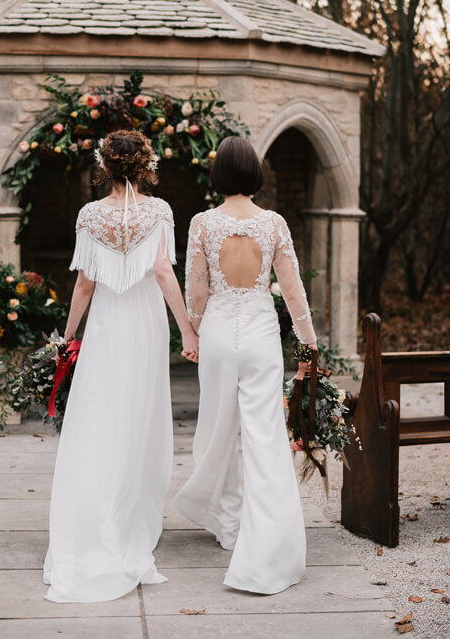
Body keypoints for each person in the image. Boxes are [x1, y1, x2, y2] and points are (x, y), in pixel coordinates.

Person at [43, 129, 199, 603]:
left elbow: (85, 285)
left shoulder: (90, 215)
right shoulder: (161, 211)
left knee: (98, 417)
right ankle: (128, 519)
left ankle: (94, 517)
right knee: (139, 418)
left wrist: (66, 338)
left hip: (108, 327)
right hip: (146, 326)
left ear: (105, 167)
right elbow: (162, 272)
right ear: (145, 165)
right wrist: (187, 330)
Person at [171, 135, 316, 595]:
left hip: (217, 334)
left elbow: (196, 289)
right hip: (259, 334)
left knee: (216, 429)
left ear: (218, 175)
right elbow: (293, 292)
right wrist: (310, 347)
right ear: (256, 173)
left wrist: (190, 332)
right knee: (264, 436)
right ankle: (269, 541)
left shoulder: (202, 223)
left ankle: (228, 522)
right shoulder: (273, 223)